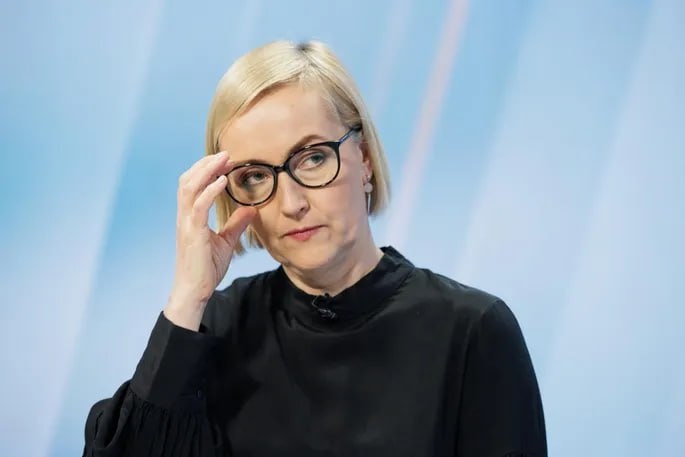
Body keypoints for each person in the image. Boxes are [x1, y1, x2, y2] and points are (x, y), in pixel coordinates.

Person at [82, 40, 547, 457]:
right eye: (255, 176)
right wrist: (187, 298)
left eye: (313, 158)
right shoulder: (212, 331)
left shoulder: (472, 331)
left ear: (364, 160)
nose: (292, 203)